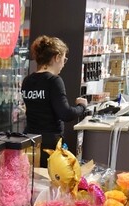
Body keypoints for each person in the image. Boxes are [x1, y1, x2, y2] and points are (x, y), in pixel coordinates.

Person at [21, 35, 88, 167]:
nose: (63, 64)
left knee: (32, 177)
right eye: (64, 59)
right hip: (50, 144)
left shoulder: (27, 81)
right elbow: (65, 114)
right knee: (51, 178)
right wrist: (82, 106)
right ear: (57, 57)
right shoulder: (54, 81)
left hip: (30, 141)